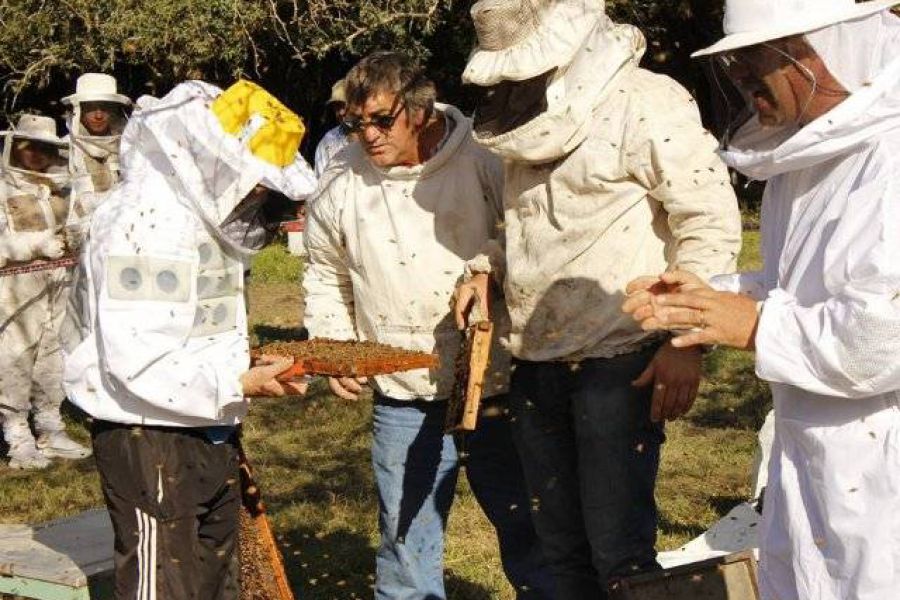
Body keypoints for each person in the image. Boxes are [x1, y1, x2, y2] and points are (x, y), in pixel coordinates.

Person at [453, 1, 743, 597]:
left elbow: (708, 221)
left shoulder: (645, 101)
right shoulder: (522, 118)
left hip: (622, 358)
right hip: (535, 359)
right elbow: (531, 226)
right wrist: (488, 268)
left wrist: (685, 342)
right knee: (558, 550)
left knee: (618, 551)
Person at [623, 1, 900, 599]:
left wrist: (751, 325)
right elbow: (800, 284)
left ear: (831, 48)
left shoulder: (893, 159)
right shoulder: (804, 159)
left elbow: (883, 339)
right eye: (735, 61)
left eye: (758, 56)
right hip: (820, 455)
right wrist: (710, 297)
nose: (743, 74)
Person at [304, 51, 553, 599]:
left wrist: (489, 267)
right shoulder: (342, 178)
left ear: (418, 110)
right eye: (354, 122)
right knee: (404, 533)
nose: (366, 134)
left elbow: (532, 232)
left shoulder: (484, 158)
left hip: (496, 382)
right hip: (401, 389)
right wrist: (335, 344)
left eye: (379, 120)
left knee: (530, 525)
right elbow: (325, 269)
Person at [62, 80, 315, 599]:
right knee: (164, 584)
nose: (257, 198)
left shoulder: (194, 218)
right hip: (149, 433)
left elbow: (193, 323)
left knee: (215, 576)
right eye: (255, 184)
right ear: (207, 156)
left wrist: (245, 363)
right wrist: (238, 379)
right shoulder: (147, 223)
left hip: (203, 422)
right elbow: (137, 358)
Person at [0, 114, 90, 469]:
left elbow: (80, 223)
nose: (35, 154)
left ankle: (51, 428)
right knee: (15, 359)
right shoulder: (3, 189)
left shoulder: (61, 187)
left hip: (58, 286)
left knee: (53, 356)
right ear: (14, 147)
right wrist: (36, 246)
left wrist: (78, 237)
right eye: (28, 146)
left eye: (42, 148)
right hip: (14, 294)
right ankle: (17, 437)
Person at [62, 72, 131, 222]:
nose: (98, 115)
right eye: (91, 108)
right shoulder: (64, 148)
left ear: (114, 111)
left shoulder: (128, 147)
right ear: (78, 110)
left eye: (105, 108)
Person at [313, 78, 352, 178]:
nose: (341, 112)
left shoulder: (373, 136)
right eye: (337, 107)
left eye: (344, 105)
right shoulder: (328, 141)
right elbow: (321, 180)